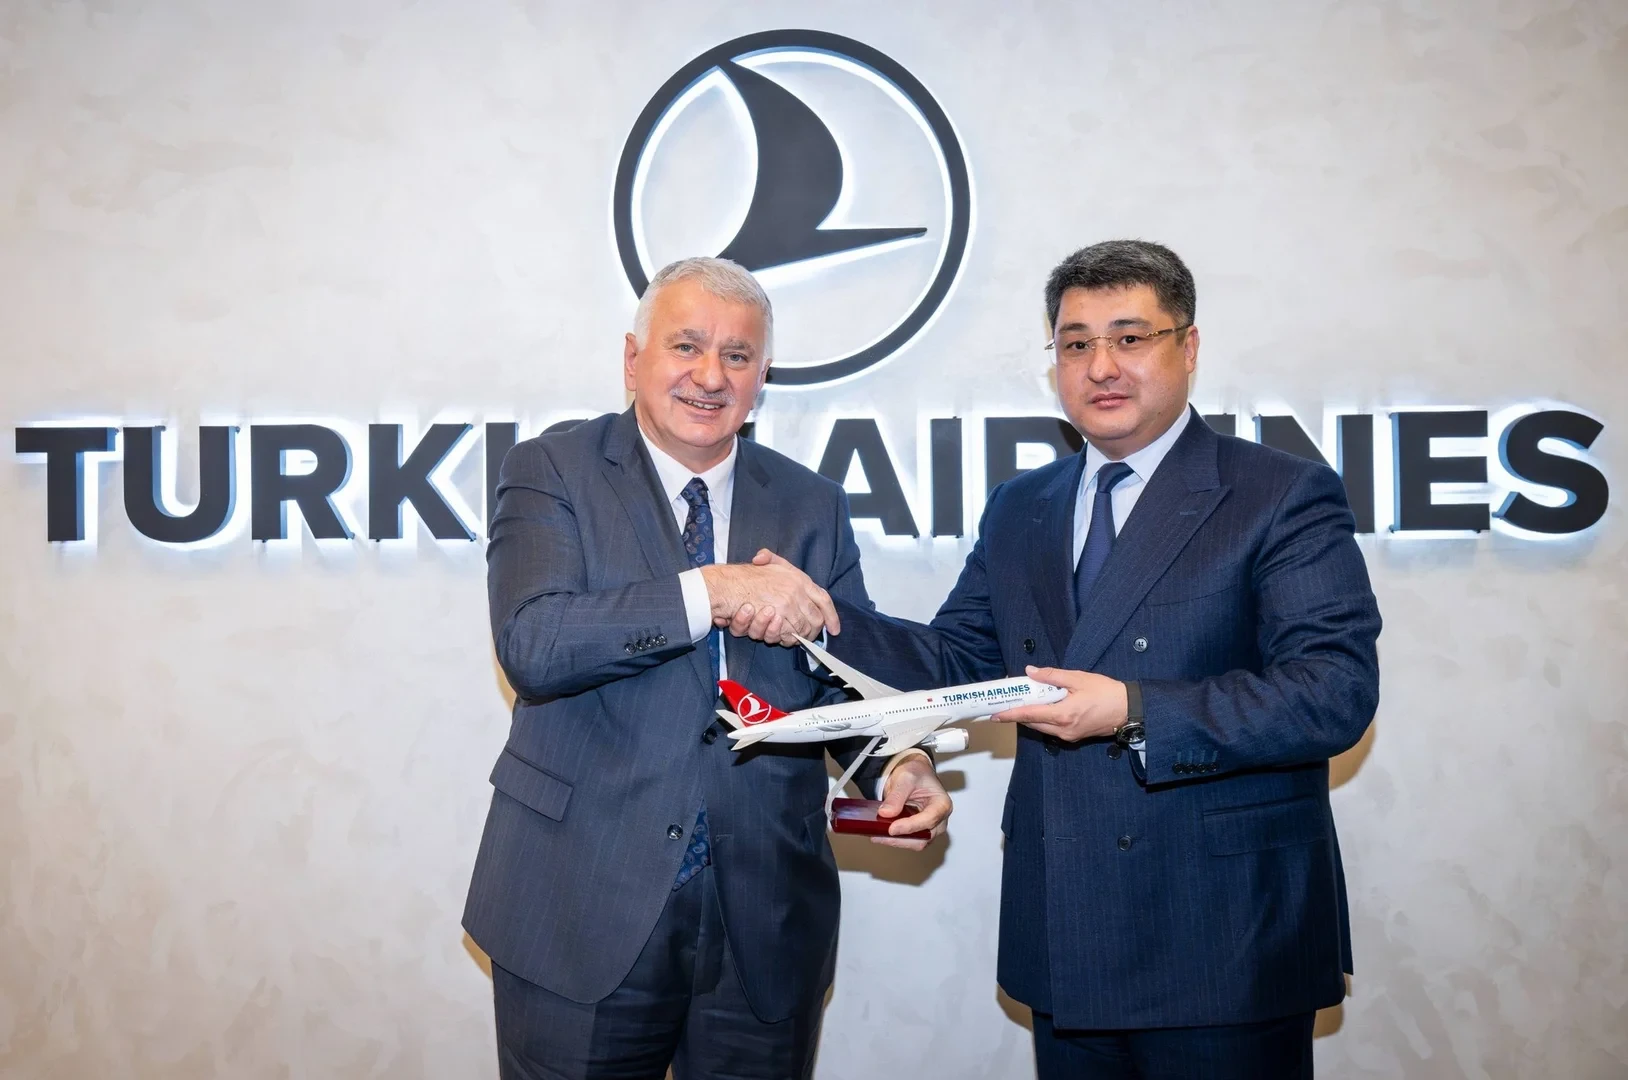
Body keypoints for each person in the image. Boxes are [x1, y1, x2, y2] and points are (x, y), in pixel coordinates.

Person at [748, 241, 1381, 1078]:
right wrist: (818, 619)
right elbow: (954, 660)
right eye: (1076, 343)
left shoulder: (1278, 493)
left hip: (1225, 932)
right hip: (1069, 925)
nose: (1101, 366)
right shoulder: (1023, 506)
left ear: (1188, 347)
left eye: (1130, 337)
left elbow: (1333, 693)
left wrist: (1133, 710)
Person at [463, 256, 951, 1080]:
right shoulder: (551, 472)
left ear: (763, 378)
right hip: (580, 904)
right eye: (686, 346)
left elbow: (841, 681)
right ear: (633, 359)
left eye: (737, 355)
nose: (710, 376)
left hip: (763, 915)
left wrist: (898, 763)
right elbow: (535, 645)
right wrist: (713, 591)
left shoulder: (812, 504)